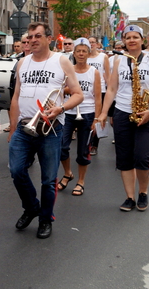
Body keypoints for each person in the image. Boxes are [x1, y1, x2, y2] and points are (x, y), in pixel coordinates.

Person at [9, 23, 82, 239]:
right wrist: (13, 128)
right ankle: (32, 207)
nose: (32, 40)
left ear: (48, 38)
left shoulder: (60, 61)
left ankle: (45, 219)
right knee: (16, 171)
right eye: (29, 37)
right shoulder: (22, 62)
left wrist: (61, 108)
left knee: (49, 180)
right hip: (25, 127)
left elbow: (78, 94)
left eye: (37, 36)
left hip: (51, 128)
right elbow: (15, 97)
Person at [97, 25, 149, 212]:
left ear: (142, 40)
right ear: (124, 40)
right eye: (128, 37)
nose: (132, 40)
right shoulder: (118, 60)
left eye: (135, 37)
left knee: (142, 157)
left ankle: (143, 192)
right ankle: (129, 197)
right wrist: (104, 112)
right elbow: (111, 89)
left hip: (145, 112)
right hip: (123, 112)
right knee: (124, 158)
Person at [58, 38, 101, 196]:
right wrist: (67, 90)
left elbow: (97, 97)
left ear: (89, 53)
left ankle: (80, 181)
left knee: (83, 151)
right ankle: (67, 173)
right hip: (68, 113)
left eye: (84, 51)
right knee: (62, 147)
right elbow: (60, 91)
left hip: (87, 113)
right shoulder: (68, 71)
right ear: (74, 53)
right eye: (78, 51)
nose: (81, 54)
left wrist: (97, 119)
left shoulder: (93, 72)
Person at [86, 36, 110, 156]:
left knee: (98, 116)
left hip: (101, 89)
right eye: (89, 42)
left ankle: (95, 144)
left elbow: (107, 73)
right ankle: (87, 141)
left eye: (93, 42)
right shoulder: (84, 56)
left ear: (97, 44)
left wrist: (110, 88)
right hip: (87, 89)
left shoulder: (103, 56)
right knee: (88, 116)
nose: (91, 44)